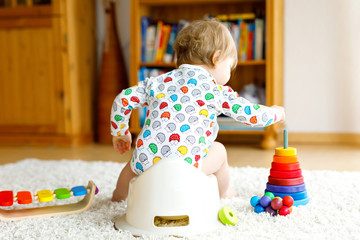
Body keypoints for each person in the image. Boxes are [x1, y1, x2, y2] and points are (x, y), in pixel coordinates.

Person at [110, 19, 285, 202]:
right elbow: (250, 114)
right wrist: (276, 113)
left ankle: (119, 197)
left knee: (133, 165)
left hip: (146, 162)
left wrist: (121, 132)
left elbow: (123, 99)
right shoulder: (216, 91)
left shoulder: (158, 81)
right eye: (230, 66)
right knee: (220, 151)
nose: (230, 72)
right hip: (187, 168)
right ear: (216, 59)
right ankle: (223, 192)